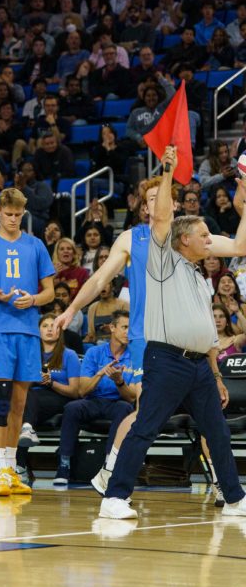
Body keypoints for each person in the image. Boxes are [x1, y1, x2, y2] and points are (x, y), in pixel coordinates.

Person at [55, 171, 246, 500]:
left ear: (174, 203)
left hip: (185, 342)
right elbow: (100, 279)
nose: (153, 205)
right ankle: (114, 477)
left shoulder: (189, 240)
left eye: (160, 198)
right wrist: (72, 308)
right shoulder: (134, 239)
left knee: (180, 417)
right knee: (146, 413)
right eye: (148, 200)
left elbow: (238, 245)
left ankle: (114, 474)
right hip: (148, 336)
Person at [0, 187, 56, 497]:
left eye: (19, 215)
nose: (14, 219)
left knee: (19, 405)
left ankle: (11, 468)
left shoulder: (36, 245)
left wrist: (33, 300)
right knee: (0, 401)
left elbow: (50, 292)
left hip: (28, 332)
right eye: (9, 214)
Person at [54, 311, 136, 486]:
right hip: (94, 400)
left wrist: (119, 382)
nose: (128, 332)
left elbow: (131, 397)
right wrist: (100, 373)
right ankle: (64, 464)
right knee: (72, 408)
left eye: (131, 328)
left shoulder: (135, 356)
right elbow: (82, 390)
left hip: (117, 403)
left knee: (125, 409)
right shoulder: (94, 352)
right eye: (124, 327)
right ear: (112, 328)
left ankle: (109, 464)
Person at [17, 314, 83, 455]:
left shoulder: (70, 355)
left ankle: (20, 462)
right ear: (38, 331)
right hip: (32, 397)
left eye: (53, 326)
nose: (49, 329)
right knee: (21, 400)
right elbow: (24, 385)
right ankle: (26, 434)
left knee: (24, 405)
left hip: (59, 396)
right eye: (45, 326)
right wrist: (33, 378)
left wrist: (51, 383)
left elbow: (75, 391)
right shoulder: (31, 355)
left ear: (60, 330)